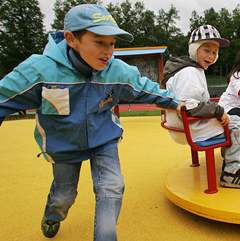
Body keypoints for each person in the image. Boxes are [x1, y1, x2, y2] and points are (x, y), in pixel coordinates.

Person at [0, 4, 180, 241]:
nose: (108, 52)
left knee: (112, 188)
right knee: (64, 195)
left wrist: (178, 103)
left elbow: (147, 89)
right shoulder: (39, 71)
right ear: (71, 39)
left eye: (112, 43)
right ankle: (53, 214)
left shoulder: (116, 71)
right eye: (99, 42)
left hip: (102, 139)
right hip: (63, 145)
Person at [162, 25, 240, 189]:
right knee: (237, 123)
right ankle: (232, 173)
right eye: (206, 50)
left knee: (232, 119)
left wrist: (215, 110)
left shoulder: (187, 68)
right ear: (194, 50)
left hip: (183, 123)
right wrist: (217, 110)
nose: (211, 56)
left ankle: (233, 160)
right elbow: (188, 106)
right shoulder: (190, 73)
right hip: (189, 126)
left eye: (214, 52)